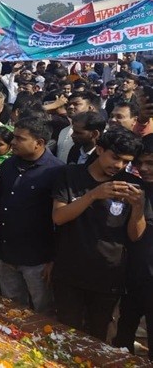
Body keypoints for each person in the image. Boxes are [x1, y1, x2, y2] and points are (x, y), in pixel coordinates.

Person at [51, 127, 145, 341]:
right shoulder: (70, 175)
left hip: (108, 277)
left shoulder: (132, 185)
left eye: (126, 161)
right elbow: (59, 217)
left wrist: (138, 207)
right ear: (100, 149)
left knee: (98, 337)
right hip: (70, 273)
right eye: (115, 157)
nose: (119, 165)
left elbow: (135, 236)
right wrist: (93, 195)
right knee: (66, 334)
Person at [0, 116, 62, 315]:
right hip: (7, 253)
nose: (13, 142)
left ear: (39, 143)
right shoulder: (9, 165)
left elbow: (59, 221)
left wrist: (54, 259)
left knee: (43, 312)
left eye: (20, 138)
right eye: (14, 137)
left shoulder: (56, 171)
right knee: (12, 308)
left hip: (37, 260)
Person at [114, 134, 153, 359]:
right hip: (133, 277)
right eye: (139, 163)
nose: (143, 169)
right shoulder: (135, 188)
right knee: (122, 340)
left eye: (150, 163)